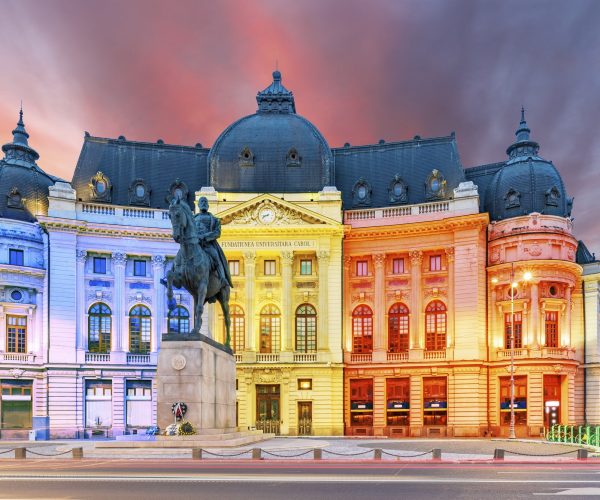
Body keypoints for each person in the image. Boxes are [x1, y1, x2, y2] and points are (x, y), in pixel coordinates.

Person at [194, 196, 233, 290]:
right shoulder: (193, 218)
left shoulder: (214, 219)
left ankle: (222, 279)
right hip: (195, 244)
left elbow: (217, 232)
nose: (203, 203)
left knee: (217, 258)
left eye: (205, 202)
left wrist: (205, 237)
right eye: (201, 201)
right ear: (198, 205)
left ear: (208, 205)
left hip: (208, 244)